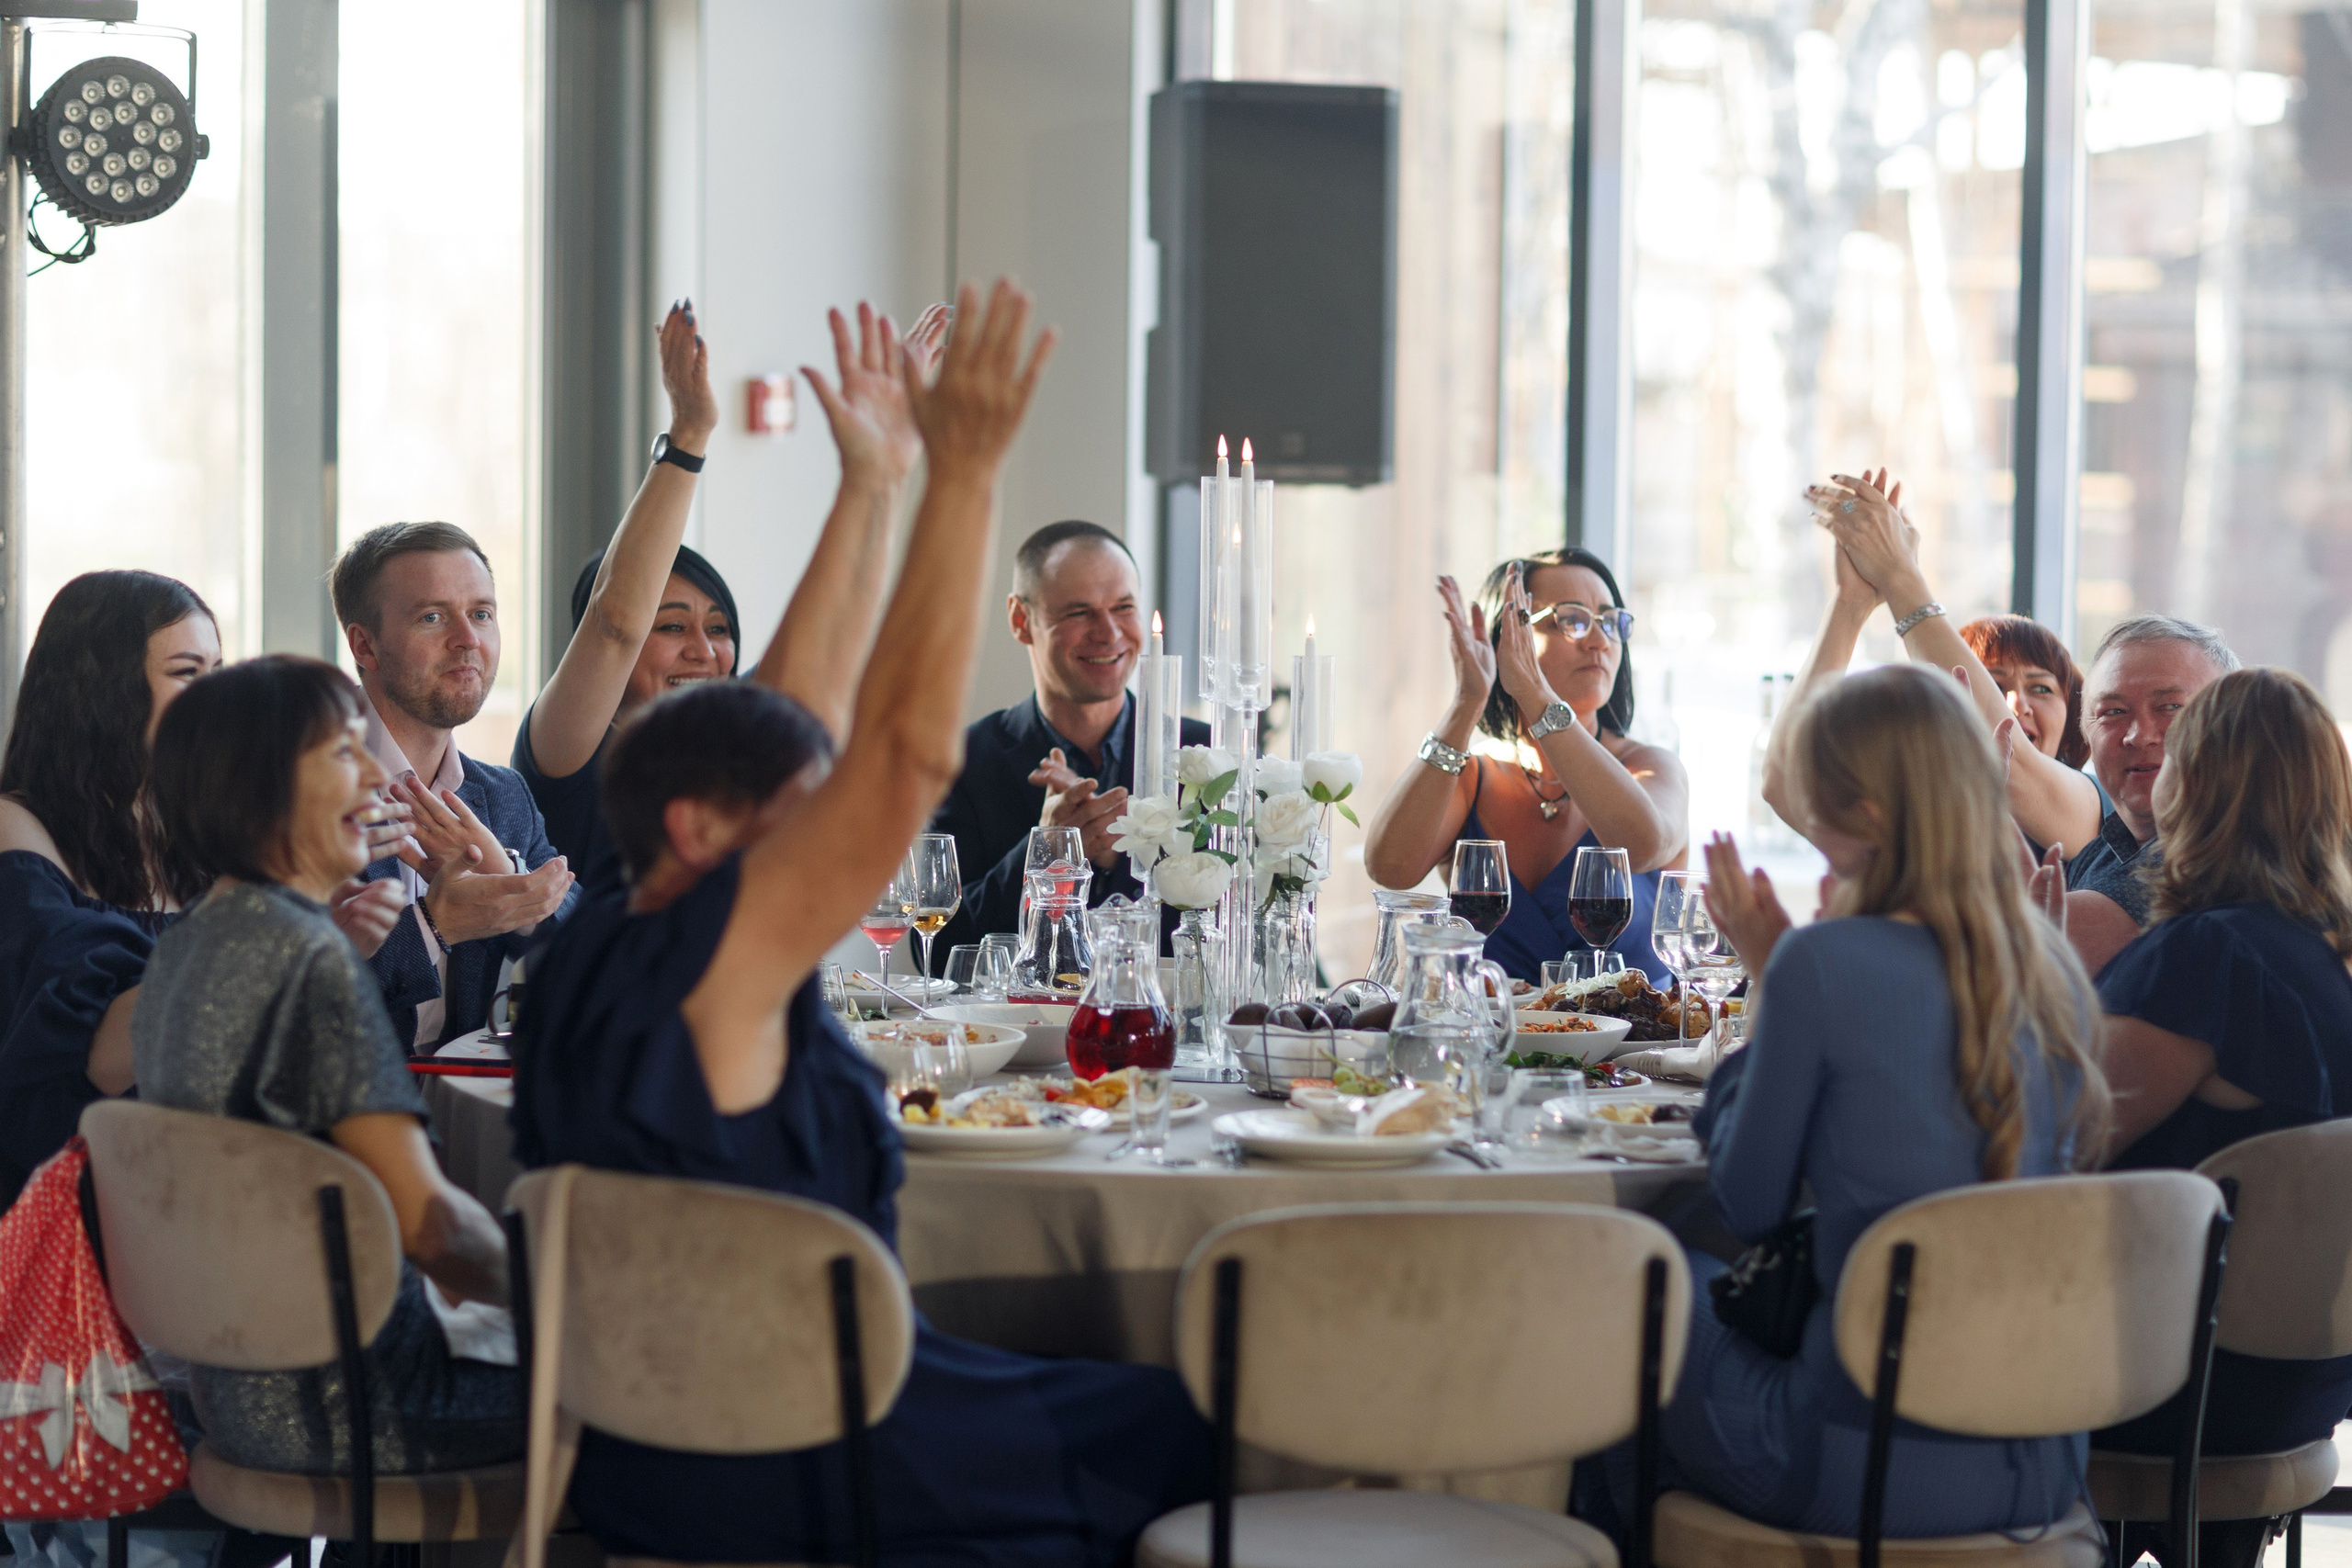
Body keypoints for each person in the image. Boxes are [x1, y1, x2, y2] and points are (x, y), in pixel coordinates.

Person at [511, 281, 1211, 1566]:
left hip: (635, 1445)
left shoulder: (601, 935)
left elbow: (791, 716)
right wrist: (966, 471)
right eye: (796, 810)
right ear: (704, 833)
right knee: (1204, 1416)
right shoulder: (712, 958)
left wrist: (873, 481)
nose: (820, 827)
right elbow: (888, 754)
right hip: (791, 1459)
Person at [1620, 664, 2104, 1540]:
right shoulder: (2050, 968)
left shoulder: (1823, 964)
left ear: (1869, 815)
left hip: (1863, 1465)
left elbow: (1748, 1203)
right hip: (2041, 1468)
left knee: (1637, 1274)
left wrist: (1771, 979)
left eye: (1816, 802)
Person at [137, 655, 518, 1475]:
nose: (382, 774)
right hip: (365, 1397)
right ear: (258, 786)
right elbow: (434, 1228)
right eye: (346, 752)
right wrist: (565, 1286)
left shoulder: (186, 947)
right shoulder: (309, 958)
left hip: (233, 1385)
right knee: (657, 1366)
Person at [514, 299, 948, 893]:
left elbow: (830, 647)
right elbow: (615, 623)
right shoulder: (565, 750)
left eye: (719, 628)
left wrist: (884, 470)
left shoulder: (744, 739)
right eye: (670, 627)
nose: (704, 649)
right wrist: (690, 434)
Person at [2088, 667, 2352, 1568]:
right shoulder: (2324, 956)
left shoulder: (2207, 957)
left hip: (2169, 1384)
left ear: (2194, 788)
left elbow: (2053, 1140)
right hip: (2305, 1376)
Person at [0, 573, 226, 1207]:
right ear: (102, 690)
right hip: (76, 1198)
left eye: (218, 672)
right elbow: (84, 1062)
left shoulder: (190, 831)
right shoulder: (17, 828)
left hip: (194, 1179)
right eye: (188, 673)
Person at [1363, 547, 1687, 983]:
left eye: (1610, 622)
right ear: (1507, 638)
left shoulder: (1650, 766)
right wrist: (1466, 704)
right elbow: (1390, 868)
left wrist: (1535, 693)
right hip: (1494, 1045)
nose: (1599, 640)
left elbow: (1644, 843)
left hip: (1635, 1046)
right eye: (1572, 619)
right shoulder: (1473, 777)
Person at [331, 520, 580, 1050]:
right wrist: (433, 926)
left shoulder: (503, 794)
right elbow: (286, 1000)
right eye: (433, 616)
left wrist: (503, 871)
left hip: (462, 1109)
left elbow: (591, 952)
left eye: (482, 614)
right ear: (364, 645)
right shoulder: (295, 790)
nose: (468, 640)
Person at [927, 519, 1209, 964]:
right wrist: (1045, 851)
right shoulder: (963, 759)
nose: (1109, 633)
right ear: (1022, 621)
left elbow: (1227, 942)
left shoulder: (1202, 758)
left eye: (1123, 607)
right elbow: (937, 950)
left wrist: (1123, 861)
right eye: (1079, 612)